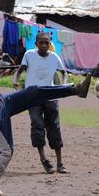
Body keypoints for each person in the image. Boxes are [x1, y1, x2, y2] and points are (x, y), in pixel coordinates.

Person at [0, 40, 91, 196]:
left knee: (33, 91)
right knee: (6, 150)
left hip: (2, 103)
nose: (0, 59)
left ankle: (75, 90)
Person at [14, 32, 68, 174]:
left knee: (54, 127)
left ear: (50, 44)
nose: (44, 45)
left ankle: (60, 163)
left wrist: (62, 86)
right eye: (41, 43)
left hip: (50, 95)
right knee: (37, 126)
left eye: (47, 43)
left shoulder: (54, 58)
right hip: (33, 96)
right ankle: (44, 160)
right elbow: (20, 71)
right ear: (36, 43)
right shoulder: (29, 55)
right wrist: (16, 82)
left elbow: (63, 73)